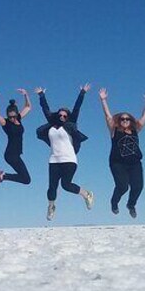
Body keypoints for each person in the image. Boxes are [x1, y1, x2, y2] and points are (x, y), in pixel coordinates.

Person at [35, 84, 94, 221]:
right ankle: (51, 207)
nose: (62, 116)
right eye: (60, 114)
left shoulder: (70, 125)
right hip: (54, 160)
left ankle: (87, 194)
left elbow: (77, 108)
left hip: (69, 159)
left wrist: (82, 93)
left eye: (65, 115)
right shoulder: (51, 125)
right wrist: (41, 95)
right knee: (52, 188)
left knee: (66, 185)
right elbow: (45, 109)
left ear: (67, 117)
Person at [99, 87, 145, 218]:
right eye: (122, 119)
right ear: (119, 120)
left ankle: (131, 205)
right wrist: (103, 100)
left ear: (131, 121)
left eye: (127, 119)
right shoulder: (114, 130)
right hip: (118, 163)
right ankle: (114, 202)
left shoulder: (135, 129)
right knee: (122, 187)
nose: (125, 121)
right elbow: (108, 116)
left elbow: (144, 117)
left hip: (135, 163)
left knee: (138, 187)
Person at [0, 89, 32, 189]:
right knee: (26, 179)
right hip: (10, 155)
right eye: (10, 117)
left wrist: (26, 95)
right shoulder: (6, 123)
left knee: (26, 179)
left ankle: (1, 176)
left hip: (16, 154)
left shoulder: (19, 119)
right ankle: (1, 176)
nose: (12, 119)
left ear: (17, 114)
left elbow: (28, 107)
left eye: (14, 116)